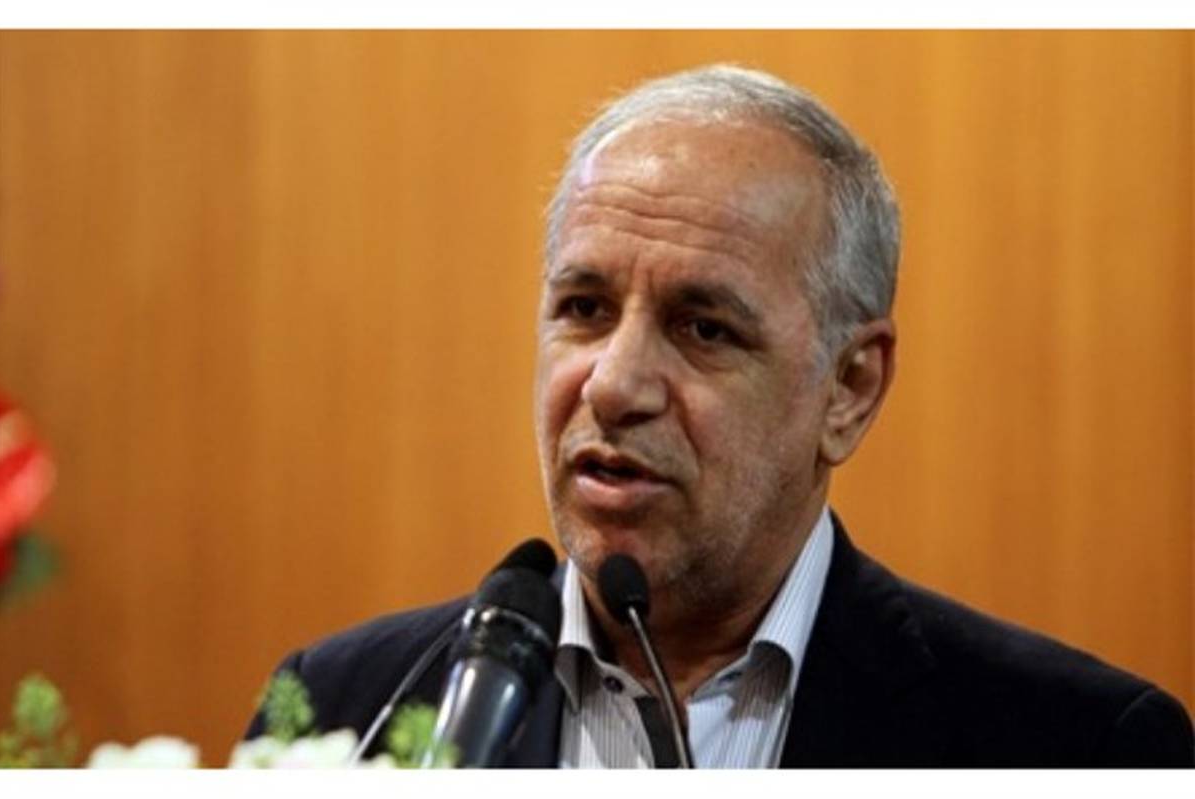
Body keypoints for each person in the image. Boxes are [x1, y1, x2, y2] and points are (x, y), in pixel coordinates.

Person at [245, 64, 1194, 767]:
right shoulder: (343, 709)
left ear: (849, 388)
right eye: (584, 308)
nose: (614, 386)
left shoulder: (1076, 746)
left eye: (703, 327)